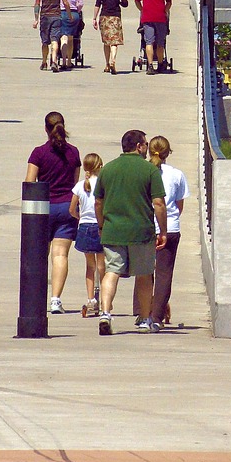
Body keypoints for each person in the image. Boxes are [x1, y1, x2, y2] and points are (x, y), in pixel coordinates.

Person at [92, 129, 167, 336]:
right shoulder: (149, 170)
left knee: (111, 271)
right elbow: (159, 203)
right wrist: (163, 231)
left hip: (113, 230)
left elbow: (98, 201)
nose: (146, 148)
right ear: (138, 146)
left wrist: (101, 225)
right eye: (144, 144)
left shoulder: (108, 169)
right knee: (144, 275)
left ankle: (105, 313)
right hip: (140, 232)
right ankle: (144, 320)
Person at [25, 111, 81, 314]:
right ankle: (55, 300)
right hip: (67, 207)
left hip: (42, 209)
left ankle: (36, 296)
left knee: (40, 254)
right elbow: (76, 184)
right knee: (60, 255)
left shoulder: (39, 153)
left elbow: (30, 183)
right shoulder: (74, 152)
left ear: (45, 129)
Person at [148, 135, 189, 331]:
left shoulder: (144, 171)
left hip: (145, 227)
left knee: (144, 271)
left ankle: (142, 313)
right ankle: (157, 317)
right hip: (170, 227)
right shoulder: (177, 174)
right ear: (168, 153)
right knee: (164, 274)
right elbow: (179, 205)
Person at [69, 152, 106, 318]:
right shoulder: (103, 184)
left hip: (84, 226)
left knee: (89, 266)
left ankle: (91, 299)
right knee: (102, 265)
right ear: (99, 166)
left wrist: (80, 217)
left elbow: (71, 209)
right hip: (101, 226)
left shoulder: (79, 185)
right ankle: (105, 298)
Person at [134, 0, 172, 74]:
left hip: (147, 17)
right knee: (160, 43)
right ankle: (160, 64)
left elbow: (137, 0)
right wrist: (165, 10)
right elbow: (169, 2)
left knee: (149, 42)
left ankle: (150, 65)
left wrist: (142, 9)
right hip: (160, 18)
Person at [33, 0, 72, 72]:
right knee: (55, 39)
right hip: (56, 16)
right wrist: (69, 16)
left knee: (45, 42)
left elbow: (37, 4)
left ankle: (44, 62)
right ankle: (54, 61)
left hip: (44, 17)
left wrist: (36, 19)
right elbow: (65, 2)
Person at [92, 0, 129, 73]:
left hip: (104, 17)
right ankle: (113, 60)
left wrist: (94, 18)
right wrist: (120, 2)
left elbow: (97, 4)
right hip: (115, 17)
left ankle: (107, 64)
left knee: (106, 42)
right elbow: (126, 3)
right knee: (114, 42)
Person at [57, 0, 83, 70]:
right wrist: (77, 10)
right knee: (71, 38)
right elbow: (80, 3)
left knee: (63, 37)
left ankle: (63, 60)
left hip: (61, 13)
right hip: (73, 13)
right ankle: (68, 61)